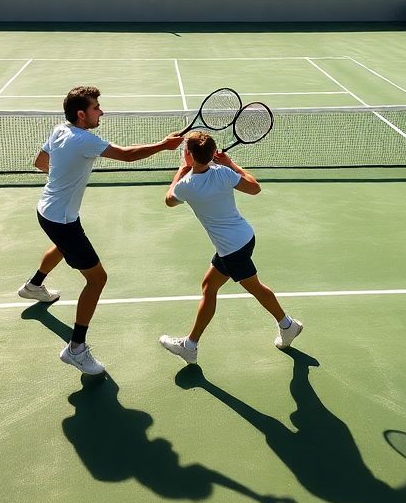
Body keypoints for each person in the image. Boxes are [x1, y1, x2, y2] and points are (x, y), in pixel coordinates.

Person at [20, 85, 182, 376]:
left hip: (46, 210)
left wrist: (63, 176)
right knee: (97, 279)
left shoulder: (59, 130)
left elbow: (40, 162)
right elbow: (128, 156)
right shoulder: (85, 140)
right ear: (81, 114)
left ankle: (34, 286)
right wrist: (163, 145)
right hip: (62, 220)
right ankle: (76, 349)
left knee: (62, 246)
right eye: (96, 108)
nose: (101, 111)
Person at [158, 131, 302, 364]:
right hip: (242, 238)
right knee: (208, 286)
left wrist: (182, 169)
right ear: (213, 154)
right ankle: (190, 345)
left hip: (233, 249)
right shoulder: (224, 173)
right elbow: (255, 188)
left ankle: (287, 325)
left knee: (255, 288)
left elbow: (169, 200)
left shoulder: (186, 185)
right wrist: (231, 163)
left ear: (189, 155)